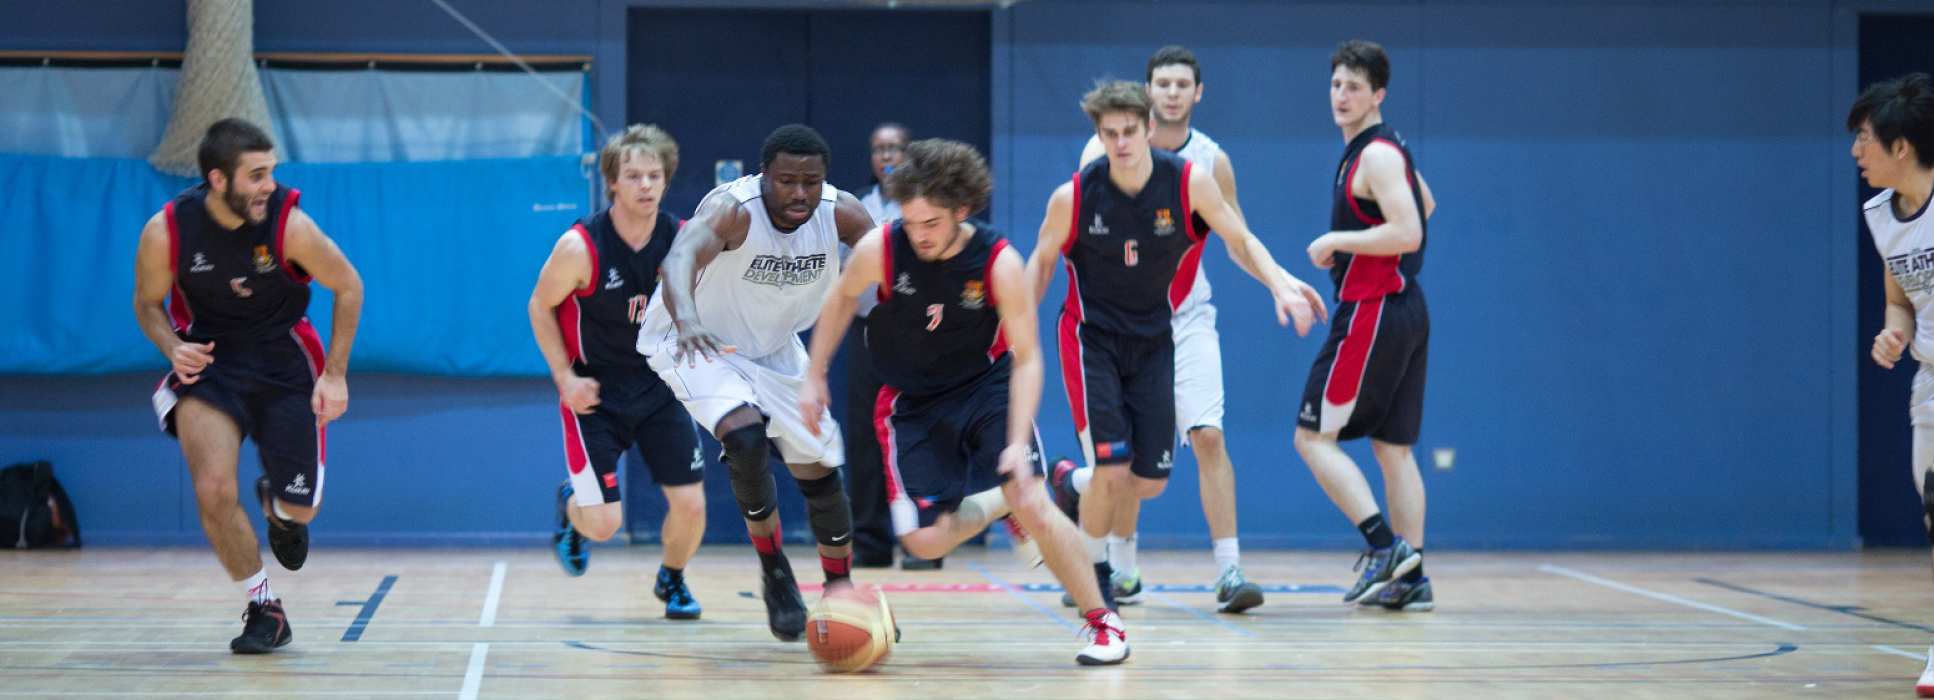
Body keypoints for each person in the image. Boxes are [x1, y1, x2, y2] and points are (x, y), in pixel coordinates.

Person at [801, 138, 1129, 665]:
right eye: (911, 222)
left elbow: (1028, 359)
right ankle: (1001, 501)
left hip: (987, 388)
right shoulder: (880, 250)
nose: (920, 234)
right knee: (924, 543)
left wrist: (1017, 443)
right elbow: (840, 299)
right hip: (910, 403)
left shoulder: (999, 263)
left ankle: (1103, 622)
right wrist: (814, 375)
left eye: (931, 223)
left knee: (1032, 499)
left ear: (962, 209)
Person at [1030, 81, 1326, 612]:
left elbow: (1239, 238)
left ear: (1149, 130)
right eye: (1109, 133)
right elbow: (1041, 265)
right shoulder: (1073, 196)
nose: (1120, 143)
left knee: (1147, 484)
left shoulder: (1190, 183)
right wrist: (1012, 329)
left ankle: (1068, 483)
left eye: (1128, 131)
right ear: (1099, 136)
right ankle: (1096, 575)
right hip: (1091, 338)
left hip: (1154, 338)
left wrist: (1281, 283)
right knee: (1112, 472)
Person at [132, 117, 364, 653]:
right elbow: (146, 304)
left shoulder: (290, 225)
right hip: (211, 362)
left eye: (272, 173)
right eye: (256, 175)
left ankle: (279, 507)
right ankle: (265, 608)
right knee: (213, 489)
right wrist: (172, 347)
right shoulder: (166, 232)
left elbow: (349, 286)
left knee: (301, 508)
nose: (269, 185)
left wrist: (335, 374)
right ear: (218, 180)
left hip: (285, 360)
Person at [636, 124, 874, 641]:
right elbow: (678, 258)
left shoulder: (843, 213)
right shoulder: (733, 210)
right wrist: (688, 320)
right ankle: (775, 571)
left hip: (775, 346)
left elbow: (892, 260)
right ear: (764, 175)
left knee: (821, 472)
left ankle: (841, 593)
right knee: (744, 436)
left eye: (811, 182)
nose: (799, 193)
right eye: (787, 180)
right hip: (695, 338)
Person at [1065, 44, 1262, 612]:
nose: (1173, 92)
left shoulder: (1210, 163)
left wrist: (1278, 283)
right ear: (1148, 95)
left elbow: (1237, 238)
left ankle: (1229, 571)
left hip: (1187, 317)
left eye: (1183, 84)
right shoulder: (1099, 155)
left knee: (1209, 435)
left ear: (1197, 93)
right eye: (1163, 83)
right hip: (1118, 322)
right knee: (1121, 459)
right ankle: (1121, 569)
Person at [528, 124, 706, 619]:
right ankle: (572, 509)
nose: (645, 185)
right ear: (613, 182)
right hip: (595, 393)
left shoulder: (682, 239)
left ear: (666, 181)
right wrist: (565, 378)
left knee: (691, 506)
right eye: (633, 176)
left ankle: (672, 581)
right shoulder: (580, 247)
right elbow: (539, 308)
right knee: (605, 525)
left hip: (657, 385)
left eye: (654, 175)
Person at [1293, 39, 1441, 612]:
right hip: (1406, 308)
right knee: (1393, 447)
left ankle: (1384, 549)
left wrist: (1340, 241)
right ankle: (1413, 577)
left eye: (1354, 87)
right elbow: (1426, 203)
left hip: (1375, 308)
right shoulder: (1385, 148)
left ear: (1378, 94)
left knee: (1310, 437)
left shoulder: (1374, 155)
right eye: (1336, 85)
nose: (1341, 95)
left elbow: (1410, 230)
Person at [1850, 71, 1934, 697]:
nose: (1857, 150)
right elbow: (1900, 299)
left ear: (1901, 145)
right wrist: (1894, 331)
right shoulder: (1882, 214)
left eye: (1866, 137)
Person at [845, 122, 941, 570]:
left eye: (895, 148)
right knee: (866, 437)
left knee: (924, 434)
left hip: (921, 330)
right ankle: (870, 542)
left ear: (909, 154)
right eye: (879, 148)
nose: (887, 156)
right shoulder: (854, 208)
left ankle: (926, 540)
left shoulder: (924, 207)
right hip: (869, 330)